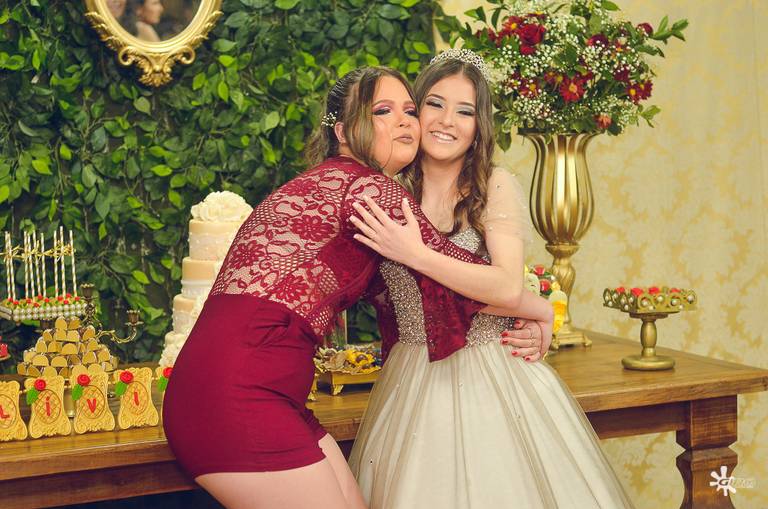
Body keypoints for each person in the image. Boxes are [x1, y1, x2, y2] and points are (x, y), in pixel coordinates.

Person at [163, 66, 540, 509]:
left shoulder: (326, 184)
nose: (404, 122)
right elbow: (464, 279)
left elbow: (417, 293)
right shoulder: (371, 189)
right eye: (383, 111)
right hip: (240, 395)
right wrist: (540, 312)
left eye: (409, 111)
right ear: (342, 131)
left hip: (244, 389)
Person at [348, 50, 635, 509]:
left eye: (465, 111)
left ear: (479, 125)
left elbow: (504, 287)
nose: (447, 121)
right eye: (435, 104)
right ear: (414, 111)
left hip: (493, 371)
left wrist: (416, 254)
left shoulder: (493, 183)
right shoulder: (387, 187)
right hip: (411, 373)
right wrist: (538, 309)